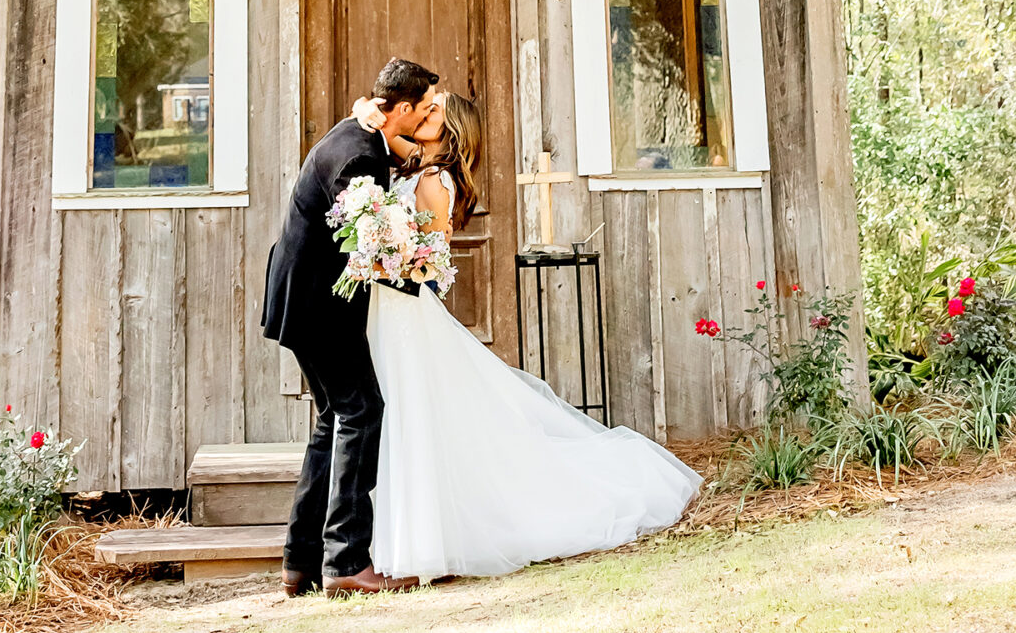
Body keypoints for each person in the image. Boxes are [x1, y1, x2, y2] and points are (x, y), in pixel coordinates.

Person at [367, 91, 701, 581]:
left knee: (415, 413)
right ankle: (395, 537)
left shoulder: (437, 181)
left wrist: (379, 258)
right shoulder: (405, 166)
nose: (422, 113)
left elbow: (428, 263)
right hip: (385, 313)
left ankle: (423, 543)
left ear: (452, 130)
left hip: (405, 309)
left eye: (434, 111)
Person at [260, 54, 444, 595]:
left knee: (334, 420)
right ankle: (345, 563)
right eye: (426, 108)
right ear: (402, 108)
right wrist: (418, 268)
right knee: (363, 411)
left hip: (303, 300)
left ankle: (301, 561)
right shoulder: (357, 160)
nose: (429, 115)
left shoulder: (360, 133)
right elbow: (368, 247)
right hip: (321, 306)